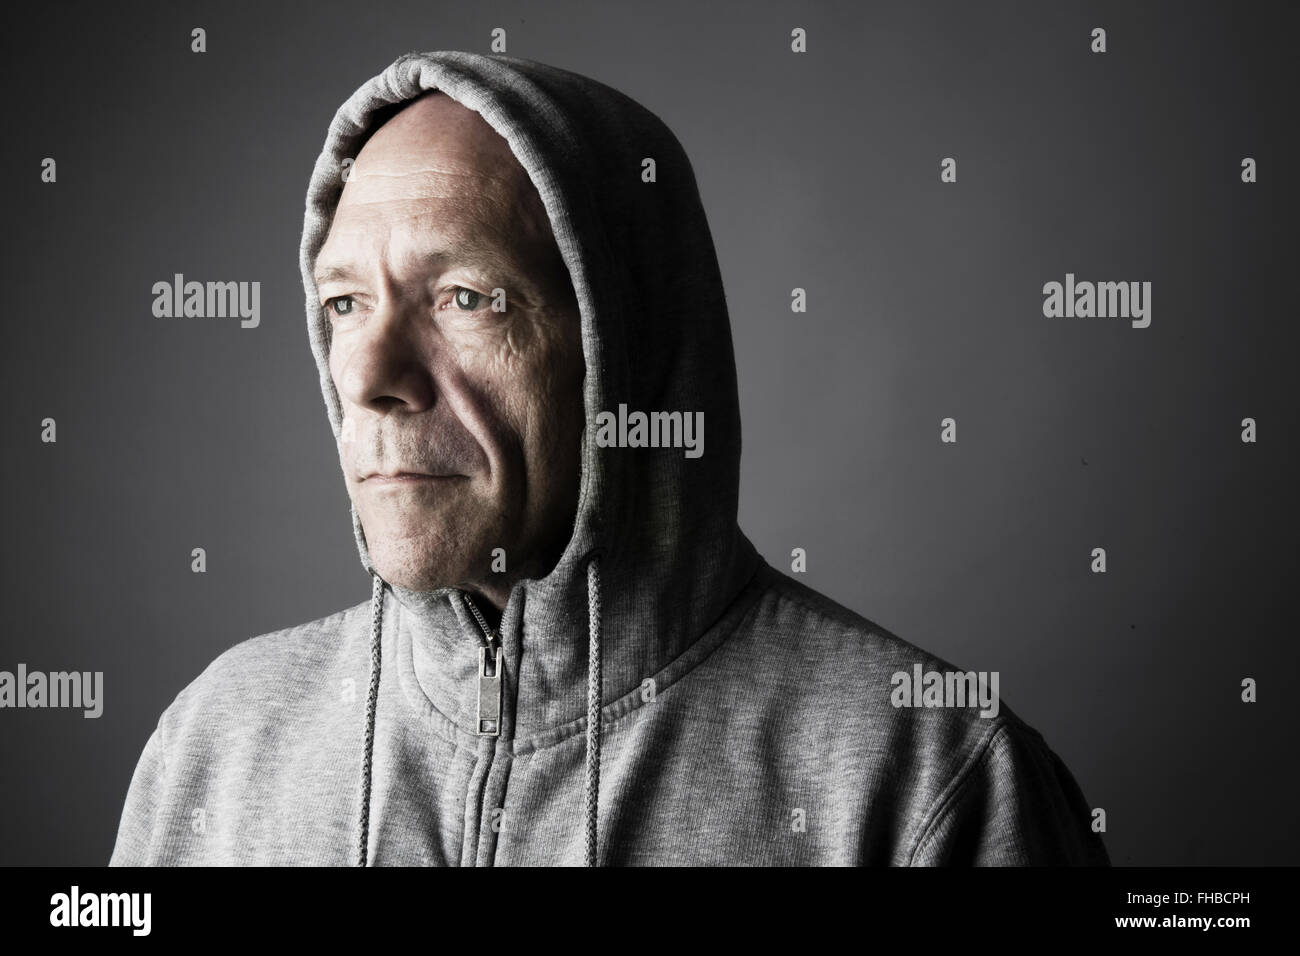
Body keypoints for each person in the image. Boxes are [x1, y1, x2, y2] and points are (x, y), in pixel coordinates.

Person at [109, 50, 1110, 866]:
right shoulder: (216, 741)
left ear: (622, 342)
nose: (367, 374)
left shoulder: (922, 771)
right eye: (342, 304)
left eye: (464, 297)